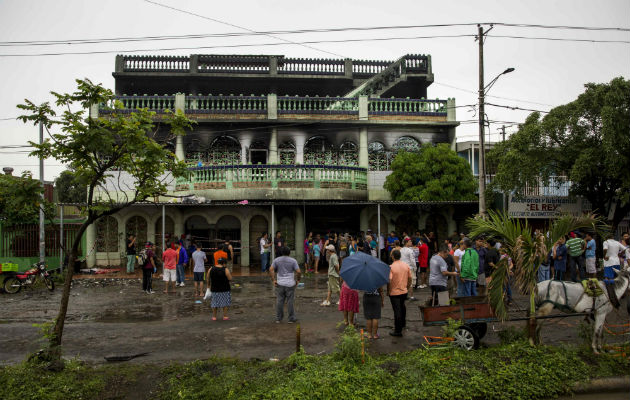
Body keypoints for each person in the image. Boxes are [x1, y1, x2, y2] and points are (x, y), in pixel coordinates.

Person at [270, 246, 301, 323]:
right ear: (289, 253)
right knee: (290, 301)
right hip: (290, 284)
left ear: (281, 252)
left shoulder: (276, 260)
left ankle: (278, 318)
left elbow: (271, 269)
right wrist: (298, 280)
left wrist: (273, 280)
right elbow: (299, 272)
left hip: (280, 283)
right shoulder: (293, 261)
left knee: (280, 301)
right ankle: (291, 318)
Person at [387, 249, 412, 337]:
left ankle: (398, 330)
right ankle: (403, 323)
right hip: (404, 290)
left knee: (397, 310)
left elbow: (389, 280)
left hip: (394, 292)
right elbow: (410, 278)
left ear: (393, 256)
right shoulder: (406, 265)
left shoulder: (391, 267)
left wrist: (388, 290)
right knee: (402, 307)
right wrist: (407, 287)